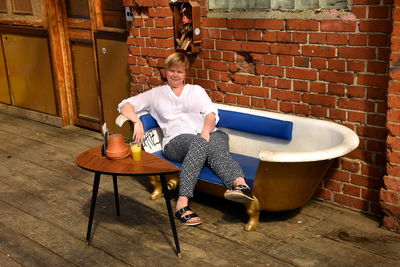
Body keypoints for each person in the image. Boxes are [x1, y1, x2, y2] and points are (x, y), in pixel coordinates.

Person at [118, 52, 254, 226]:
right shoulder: (155, 94)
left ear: (185, 73)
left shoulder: (196, 91)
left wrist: (205, 132)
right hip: (176, 141)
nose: (175, 75)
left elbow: (211, 114)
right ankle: (182, 203)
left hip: (208, 133)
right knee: (201, 144)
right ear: (166, 71)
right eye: (172, 70)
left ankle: (240, 186)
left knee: (215, 145)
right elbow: (125, 105)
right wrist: (136, 121)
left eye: (180, 71)